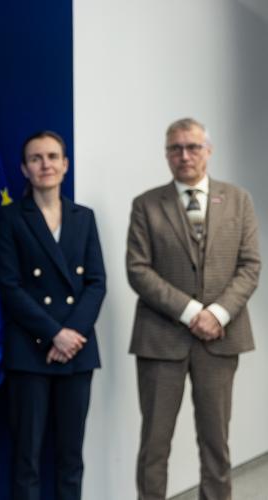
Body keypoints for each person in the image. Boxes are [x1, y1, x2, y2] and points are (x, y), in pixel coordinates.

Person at [127, 118, 261, 500]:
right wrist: (191, 312)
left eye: (193, 147)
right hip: (160, 340)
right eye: (175, 148)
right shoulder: (146, 205)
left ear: (208, 150)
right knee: (154, 445)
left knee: (216, 442)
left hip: (221, 339)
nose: (184, 155)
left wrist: (217, 314)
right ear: (166, 154)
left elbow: (250, 266)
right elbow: (138, 269)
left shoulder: (238, 200)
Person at [0, 131, 106, 500]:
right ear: (25, 169)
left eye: (53, 156)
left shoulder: (83, 217)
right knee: (26, 458)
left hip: (78, 351)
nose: (46, 164)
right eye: (36, 158)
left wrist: (71, 334)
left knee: (71, 457)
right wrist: (54, 334)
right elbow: (10, 286)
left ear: (65, 164)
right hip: (31, 350)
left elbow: (96, 283)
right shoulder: (11, 217)